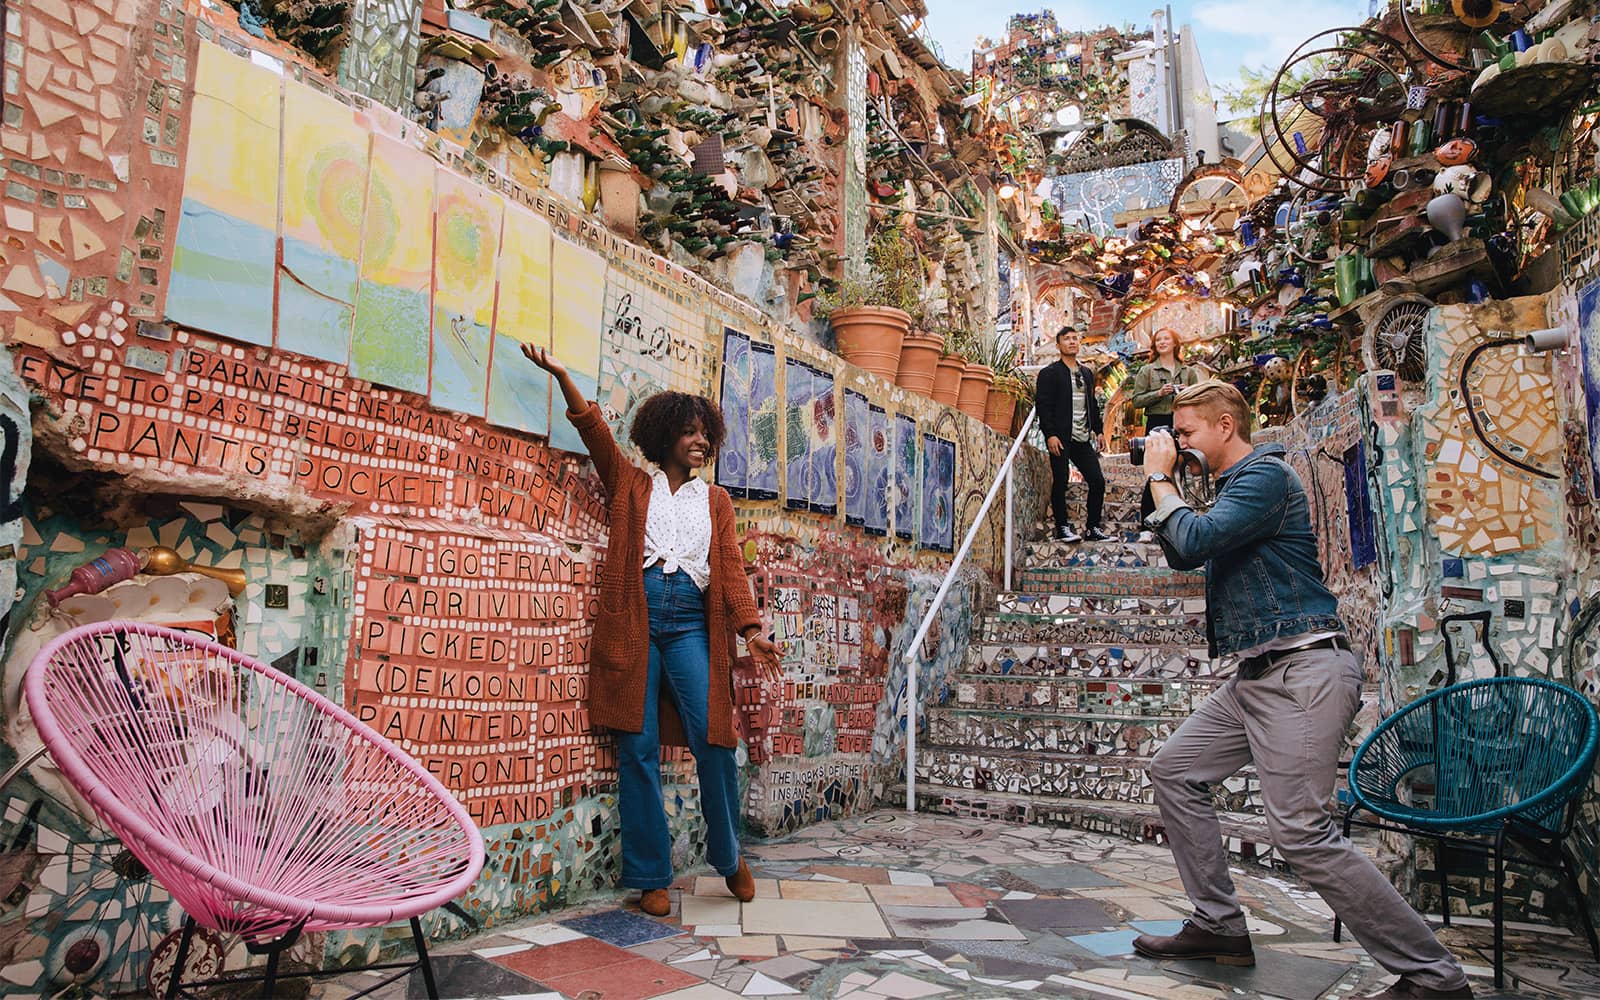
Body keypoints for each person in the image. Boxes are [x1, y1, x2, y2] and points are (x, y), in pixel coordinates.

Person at [1132, 381, 1472, 1000]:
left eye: (1186, 433)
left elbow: (1195, 540)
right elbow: (1184, 552)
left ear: (1226, 425)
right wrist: (1162, 487)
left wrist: (1161, 480)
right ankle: (1220, 925)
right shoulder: (1233, 488)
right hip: (1258, 675)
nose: (1177, 444)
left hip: (1303, 670)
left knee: (1302, 833)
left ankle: (1434, 978)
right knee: (1175, 771)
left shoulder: (1265, 477)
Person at [524, 344, 782, 917]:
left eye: (705, 434)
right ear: (664, 435)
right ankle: (651, 876)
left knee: (714, 743)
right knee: (636, 749)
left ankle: (729, 855)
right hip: (635, 625)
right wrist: (564, 373)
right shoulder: (632, 485)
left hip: (690, 626)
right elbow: (593, 432)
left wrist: (752, 629)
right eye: (689, 432)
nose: (700, 441)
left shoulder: (716, 501)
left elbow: (731, 572)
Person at [1036, 325, 1108, 543]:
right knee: (1061, 480)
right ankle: (1062, 527)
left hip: (1082, 438)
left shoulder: (1086, 373)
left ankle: (1093, 528)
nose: (1072, 342)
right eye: (1067, 339)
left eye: (1075, 339)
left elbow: (1092, 405)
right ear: (1058, 345)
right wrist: (1050, 434)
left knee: (1097, 481)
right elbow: (1043, 406)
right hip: (1061, 437)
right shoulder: (1049, 373)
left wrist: (1099, 431)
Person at [1124, 328, 1202, 432]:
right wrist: (1159, 393)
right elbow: (1136, 401)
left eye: (1166, 338)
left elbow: (1199, 402)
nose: (1162, 342)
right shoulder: (1147, 371)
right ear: (1155, 345)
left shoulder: (1189, 372)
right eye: (1158, 340)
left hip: (1184, 422)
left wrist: (1188, 393)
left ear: (1175, 343)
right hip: (1156, 423)